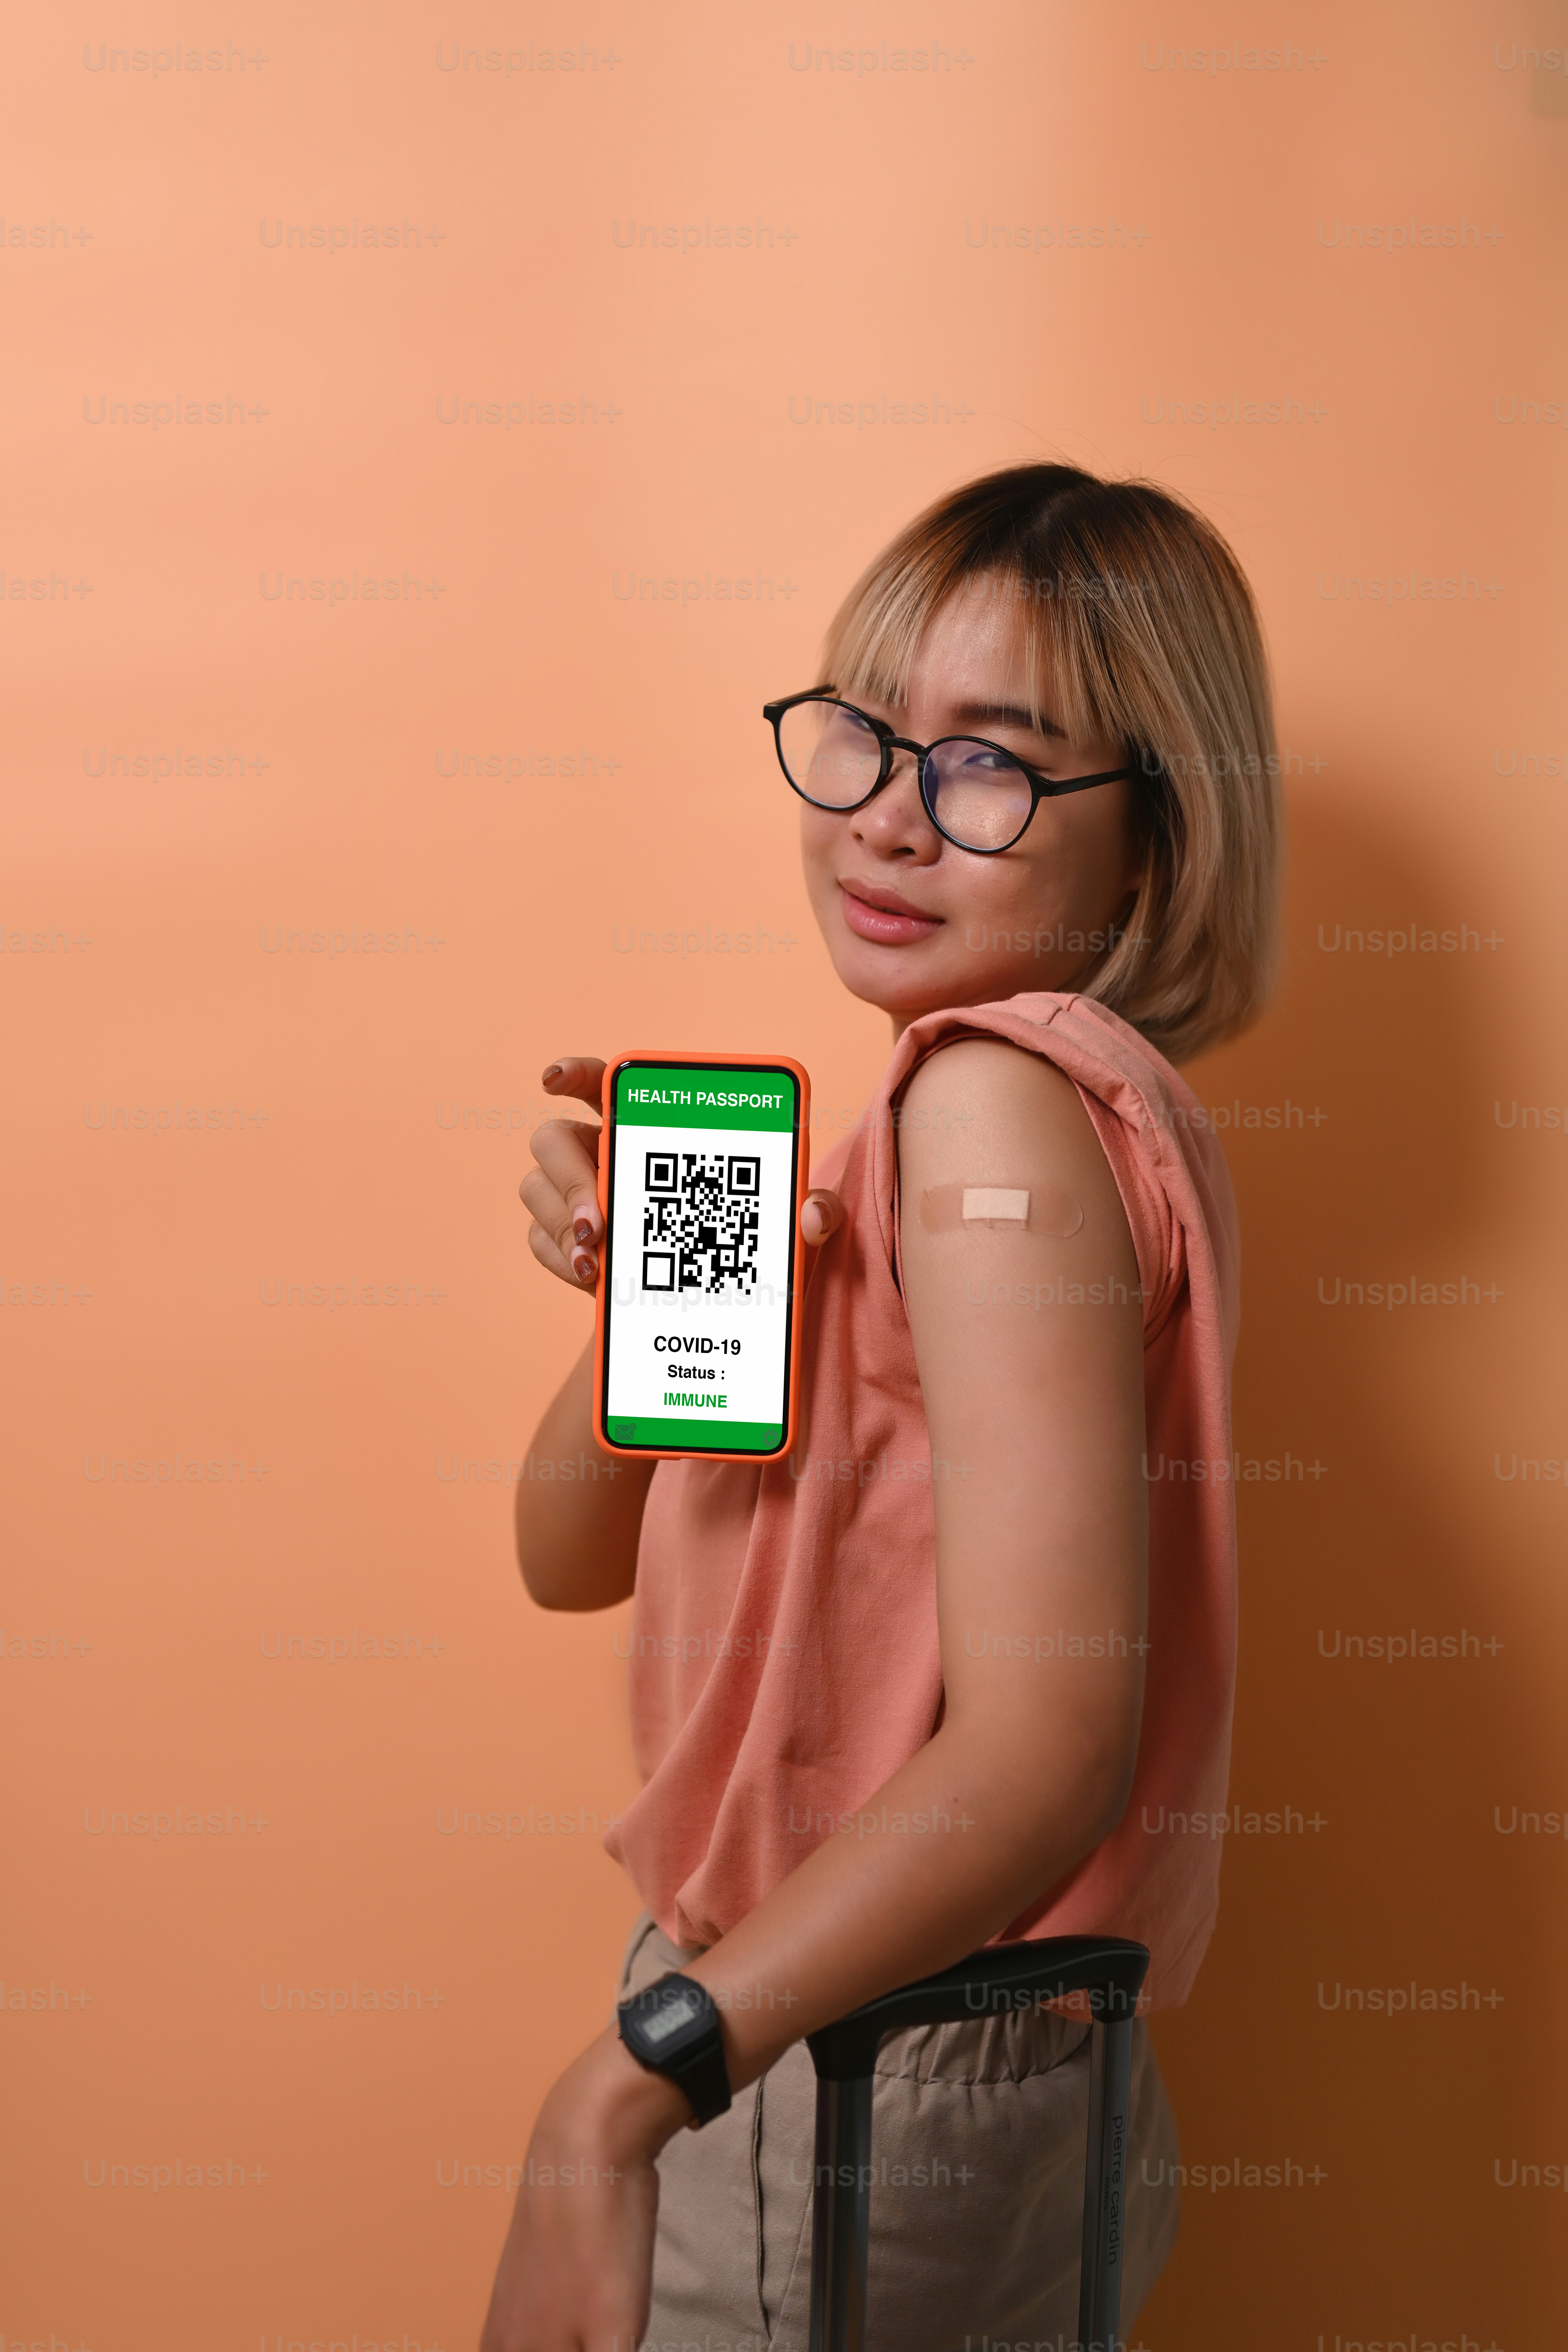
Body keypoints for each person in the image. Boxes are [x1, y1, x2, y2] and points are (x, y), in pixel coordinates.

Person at [483, 462, 1281, 2352]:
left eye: (990, 764)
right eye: (864, 733)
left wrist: (620, 2094)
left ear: (1153, 840)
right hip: (912, 2055)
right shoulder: (1032, 1124)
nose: (891, 818)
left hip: (835, 2062)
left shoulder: (989, 1102)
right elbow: (563, 1558)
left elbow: (1050, 1739)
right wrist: (657, 1309)